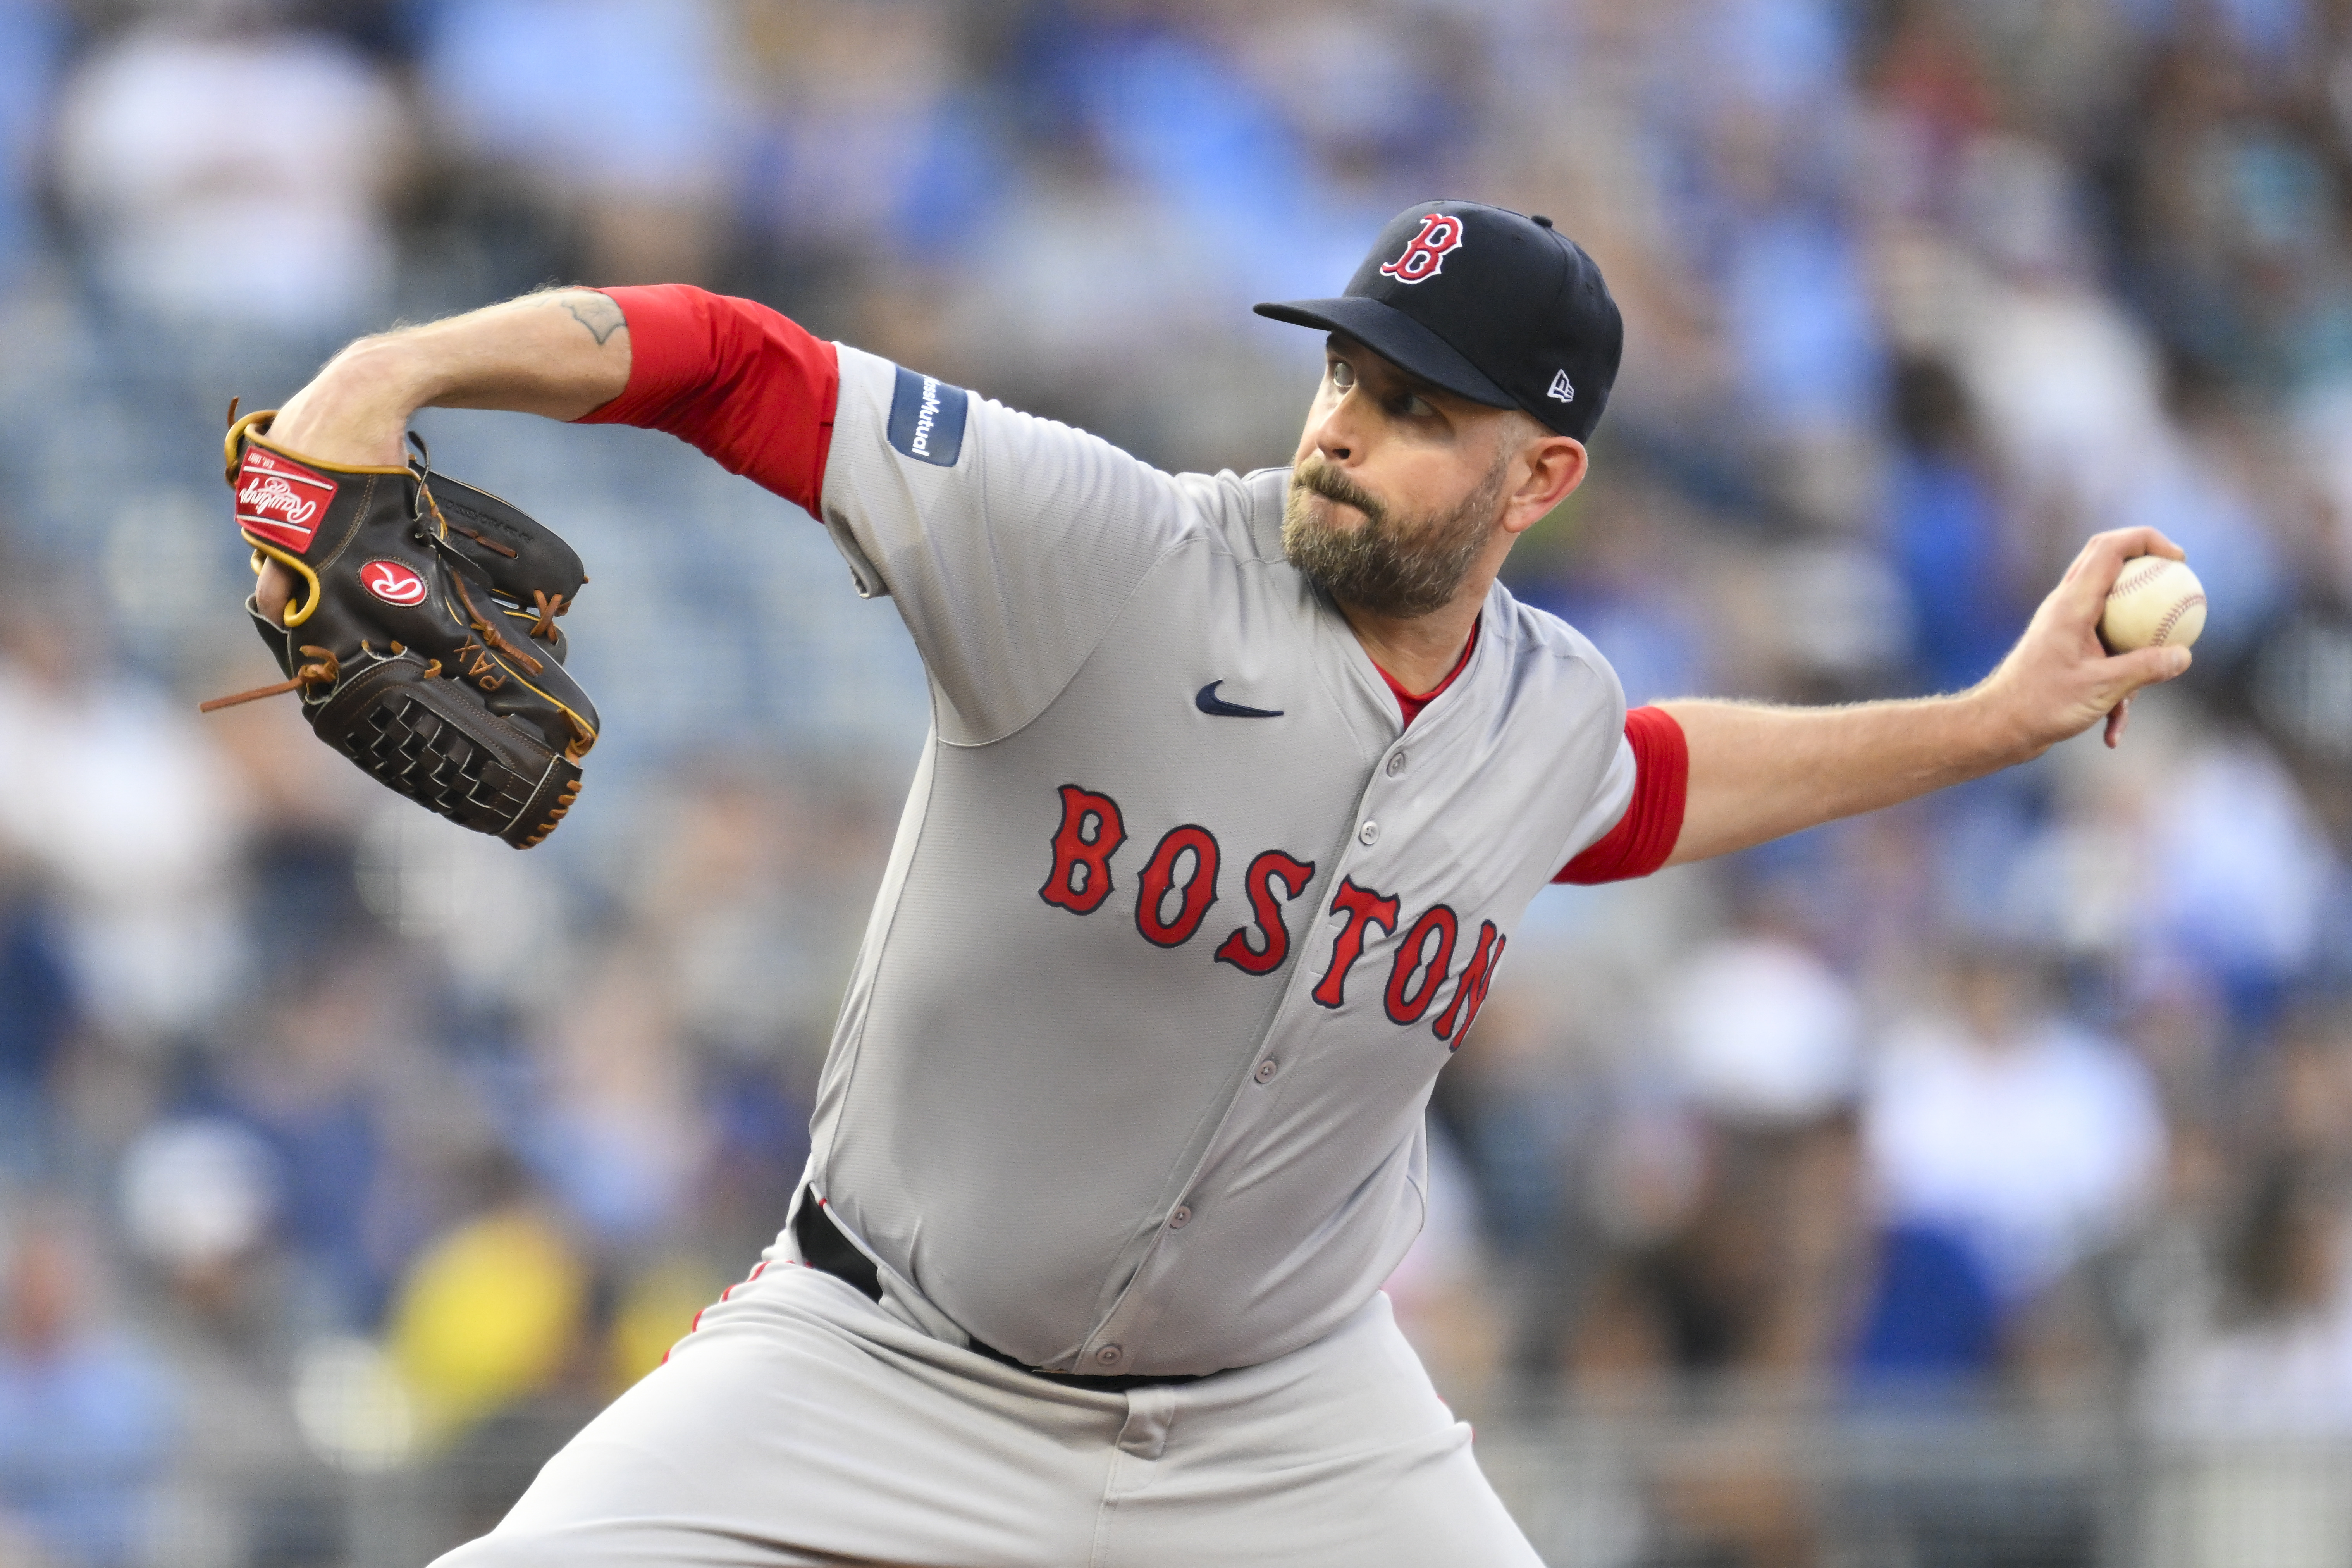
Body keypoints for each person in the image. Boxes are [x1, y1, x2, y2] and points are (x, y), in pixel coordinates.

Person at [248, 200, 2187, 1567]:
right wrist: (400, 364)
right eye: (1347, 374)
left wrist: (1995, 723)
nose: (1345, 426)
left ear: (1543, 481)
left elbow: (1643, 786)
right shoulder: (1100, 547)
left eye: (1420, 410)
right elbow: (731, 362)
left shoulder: (1542, 712)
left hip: (1287, 1422)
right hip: (883, 1358)